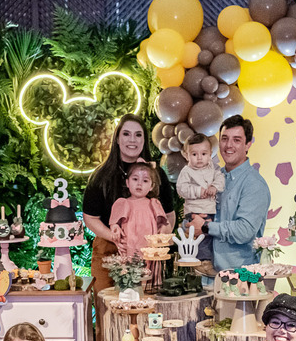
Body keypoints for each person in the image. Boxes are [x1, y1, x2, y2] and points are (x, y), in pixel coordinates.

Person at [82, 115, 176, 294]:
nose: (132, 140)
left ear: (144, 140)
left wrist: (163, 235)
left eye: (138, 135)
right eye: (126, 134)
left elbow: (169, 214)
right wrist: (115, 237)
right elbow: (90, 218)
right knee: (108, 304)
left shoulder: (157, 175)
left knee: (147, 304)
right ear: (117, 139)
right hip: (109, 252)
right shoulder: (102, 175)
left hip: (147, 256)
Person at [186, 116, 271, 273]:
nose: (229, 145)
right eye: (224, 139)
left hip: (239, 277)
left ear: (248, 144)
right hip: (203, 272)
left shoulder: (254, 184)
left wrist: (205, 227)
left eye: (236, 140)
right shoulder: (213, 176)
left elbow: (244, 231)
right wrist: (191, 222)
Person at [177, 133, 226, 274]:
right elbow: (182, 189)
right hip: (194, 210)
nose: (199, 158)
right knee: (201, 237)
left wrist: (214, 187)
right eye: (194, 154)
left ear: (210, 153)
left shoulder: (214, 168)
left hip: (210, 210)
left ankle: (210, 260)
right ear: (186, 155)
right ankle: (203, 261)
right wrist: (199, 191)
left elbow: (221, 180)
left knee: (211, 236)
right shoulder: (187, 171)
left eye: (203, 154)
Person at [109, 162, 170, 265]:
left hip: (149, 249)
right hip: (130, 246)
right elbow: (114, 223)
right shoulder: (123, 203)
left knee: (149, 269)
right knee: (131, 268)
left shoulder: (154, 204)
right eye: (135, 179)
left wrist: (162, 231)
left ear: (151, 186)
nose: (139, 184)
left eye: (145, 180)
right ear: (127, 183)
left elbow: (163, 224)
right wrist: (115, 228)